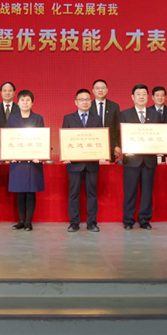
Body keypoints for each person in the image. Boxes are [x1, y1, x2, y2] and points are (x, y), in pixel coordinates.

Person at [118, 84, 160, 230]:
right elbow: (119, 134)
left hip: (149, 160)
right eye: (138, 94)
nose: (141, 97)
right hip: (131, 159)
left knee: (147, 191)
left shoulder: (155, 115)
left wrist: (160, 148)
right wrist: (123, 149)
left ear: (148, 97)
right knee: (130, 191)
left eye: (144, 94)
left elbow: (159, 134)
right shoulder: (124, 114)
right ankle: (128, 220)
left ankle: (144, 219)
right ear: (132, 97)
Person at [62, 89, 103, 233]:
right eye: (81, 99)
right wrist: (65, 154)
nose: (84, 102)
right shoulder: (68, 118)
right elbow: (65, 139)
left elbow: (100, 138)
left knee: (92, 194)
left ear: (91, 102)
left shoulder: (97, 118)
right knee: (73, 194)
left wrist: (102, 153)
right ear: (76, 102)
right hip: (74, 164)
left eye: (87, 99)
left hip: (91, 163)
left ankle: (92, 222)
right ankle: (74, 222)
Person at [6, 90, 45, 232]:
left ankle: (29, 221)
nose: (25, 102)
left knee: (30, 192)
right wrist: (9, 154)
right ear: (18, 102)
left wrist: (40, 154)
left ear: (32, 103)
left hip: (33, 162)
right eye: (22, 100)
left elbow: (42, 138)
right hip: (17, 162)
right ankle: (21, 221)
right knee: (20, 191)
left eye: (28, 100)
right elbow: (8, 138)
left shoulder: (38, 118)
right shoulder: (12, 119)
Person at [90, 79, 121, 162]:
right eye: (97, 88)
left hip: (110, 146)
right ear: (93, 91)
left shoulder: (114, 106)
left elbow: (117, 127)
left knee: (109, 169)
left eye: (103, 88)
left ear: (107, 90)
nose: (100, 90)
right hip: (92, 146)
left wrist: (117, 146)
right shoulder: (88, 106)